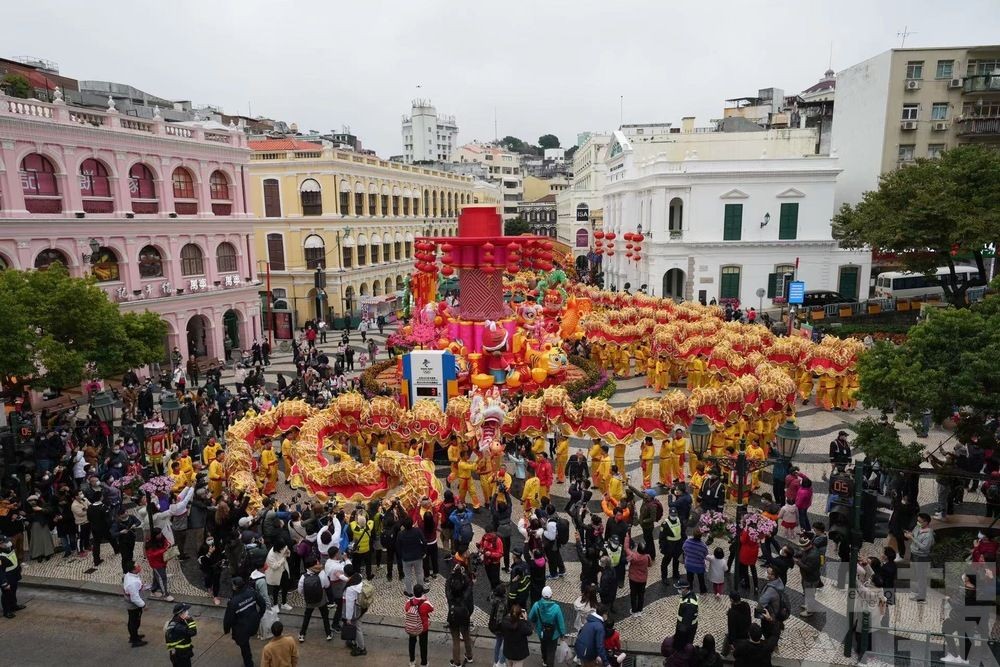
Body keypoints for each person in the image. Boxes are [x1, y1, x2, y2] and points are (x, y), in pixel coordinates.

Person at [224, 576, 268, 667]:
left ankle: (249, 664)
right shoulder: (251, 592)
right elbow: (263, 604)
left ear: (235, 587)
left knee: (244, 647)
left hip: (241, 629)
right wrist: (259, 616)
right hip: (253, 624)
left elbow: (228, 618)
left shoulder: (233, 602)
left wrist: (226, 629)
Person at [528, 585, 566, 667]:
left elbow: (531, 617)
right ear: (551, 596)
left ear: (542, 595)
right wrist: (562, 634)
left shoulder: (536, 605)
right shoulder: (556, 608)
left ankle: (544, 660)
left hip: (541, 631)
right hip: (553, 634)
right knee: (551, 650)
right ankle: (549, 664)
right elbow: (560, 622)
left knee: (543, 645)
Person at [446, 563, 475, 667]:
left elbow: (447, 585)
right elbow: (469, 585)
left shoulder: (450, 593)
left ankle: (456, 661)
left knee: (456, 640)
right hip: (464, 613)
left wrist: (452, 574)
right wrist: (464, 576)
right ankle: (469, 655)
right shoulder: (465, 592)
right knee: (466, 636)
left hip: (453, 614)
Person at [297, 558, 332, 642]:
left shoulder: (303, 577)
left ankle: (302, 634)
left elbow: (300, 590)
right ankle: (328, 634)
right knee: (325, 616)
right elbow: (327, 585)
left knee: (307, 616)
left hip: (309, 600)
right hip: (321, 598)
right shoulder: (322, 573)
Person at [905, 512, 935, 603]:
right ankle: (918, 591)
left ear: (926, 522)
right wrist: (909, 534)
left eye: (920, 521)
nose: (918, 523)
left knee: (921, 577)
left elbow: (924, 547)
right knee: (917, 574)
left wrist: (912, 538)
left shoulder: (928, 535)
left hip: (921, 557)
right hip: (914, 554)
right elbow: (913, 534)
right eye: (917, 521)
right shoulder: (918, 527)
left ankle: (921, 597)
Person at [403, 583, 434, 667]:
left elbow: (406, 609)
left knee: (412, 643)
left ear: (413, 592)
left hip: (412, 626)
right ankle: (424, 663)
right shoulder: (425, 603)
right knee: (423, 645)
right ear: (422, 593)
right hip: (423, 627)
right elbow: (432, 608)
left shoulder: (409, 602)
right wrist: (425, 599)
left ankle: (412, 661)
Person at [623, 533, 653, 614]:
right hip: (643, 579)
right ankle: (640, 610)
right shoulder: (647, 557)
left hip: (633, 579)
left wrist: (627, 537)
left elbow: (626, 548)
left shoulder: (633, 556)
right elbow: (650, 565)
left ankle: (634, 610)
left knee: (633, 595)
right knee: (641, 595)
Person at [343, 564, 368, 656]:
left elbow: (349, 604)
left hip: (356, 608)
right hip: (363, 606)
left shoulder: (350, 588)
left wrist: (348, 618)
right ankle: (355, 642)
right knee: (358, 626)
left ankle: (361, 648)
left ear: (346, 573)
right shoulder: (358, 576)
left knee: (357, 628)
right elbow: (348, 579)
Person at [145, 527, 175, 602]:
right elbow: (152, 554)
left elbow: (166, 542)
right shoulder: (149, 544)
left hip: (163, 561)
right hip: (156, 564)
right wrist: (164, 550)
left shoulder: (162, 538)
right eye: (158, 534)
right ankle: (165, 594)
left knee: (156, 576)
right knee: (162, 578)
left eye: (160, 533)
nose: (160, 535)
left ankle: (154, 589)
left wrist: (168, 545)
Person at [794, 535, 821, 617]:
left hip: (810, 579)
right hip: (807, 577)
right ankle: (808, 606)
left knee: (810, 594)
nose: (801, 549)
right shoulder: (810, 549)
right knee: (808, 593)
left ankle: (810, 611)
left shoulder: (812, 555)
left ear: (807, 546)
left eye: (802, 547)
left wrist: (798, 562)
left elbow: (808, 568)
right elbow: (802, 553)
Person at [122, 562, 148, 647]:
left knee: (132, 620)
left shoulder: (128, 575)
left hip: (131, 602)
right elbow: (135, 598)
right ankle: (134, 640)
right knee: (135, 621)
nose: (140, 567)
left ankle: (134, 636)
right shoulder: (133, 583)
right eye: (138, 566)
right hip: (133, 605)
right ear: (133, 570)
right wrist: (143, 605)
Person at [501, 602, 534, 667]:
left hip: (508, 651)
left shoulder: (505, 622)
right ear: (520, 615)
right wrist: (526, 619)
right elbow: (530, 631)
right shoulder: (522, 625)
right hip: (519, 654)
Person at [164, 602, 197, 667]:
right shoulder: (179, 627)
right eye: (186, 611)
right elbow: (193, 632)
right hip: (182, 654)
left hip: (177, 653)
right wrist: (190, 620)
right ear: (181, 613)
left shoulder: (175, 621)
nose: (187, 612)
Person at [0, 534, 24, 619]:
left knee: (13, 591)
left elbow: (14, 558)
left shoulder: (9, 549)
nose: (8, 543)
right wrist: (4, 583)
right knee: (6, 595)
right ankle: (7, 611)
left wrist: (19, 568)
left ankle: (14, 605)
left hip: (14, 574)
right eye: (5, 542)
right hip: (7, 577)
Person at [265, 543, 292, 609]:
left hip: (283, 570)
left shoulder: (284, 546)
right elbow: (274, 566)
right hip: (275, 573)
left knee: (285, 587)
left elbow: (287, 553)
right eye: (282, 548)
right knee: (276, 588)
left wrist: (288, 553)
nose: (284, 549)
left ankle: (284, 603)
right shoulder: (271, 555)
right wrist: (283, 558)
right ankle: (275, 604)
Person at [674, 580, 700, 648]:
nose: (678, 590)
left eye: (679, 588)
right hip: (690, 628)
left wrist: (678, 637)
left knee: (684, 648)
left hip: (687, 631)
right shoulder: (690, 595)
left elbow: (685, 624)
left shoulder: (689, 604)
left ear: (685, 588)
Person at [682, 528, 708, 593]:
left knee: (689, 578)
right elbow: (705, 554)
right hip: (699, 566)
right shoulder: (703, 546)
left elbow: (684, 549)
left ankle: (690, 589)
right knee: (701, 579)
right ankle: (703, 590)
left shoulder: (687, 542)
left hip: (689, 564)